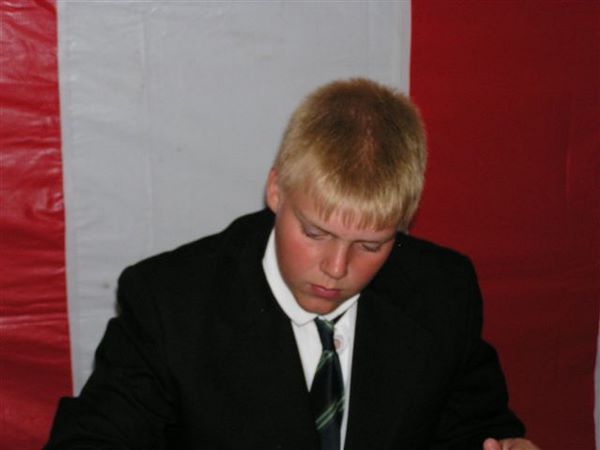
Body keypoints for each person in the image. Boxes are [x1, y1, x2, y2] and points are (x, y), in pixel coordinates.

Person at [45, 79, 539, 449]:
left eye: (370, 246)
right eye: (315, 234)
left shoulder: (443, 291)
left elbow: (471, 425)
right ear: (276, 190)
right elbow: (93, 439)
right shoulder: (170, 303)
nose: (337, 268)